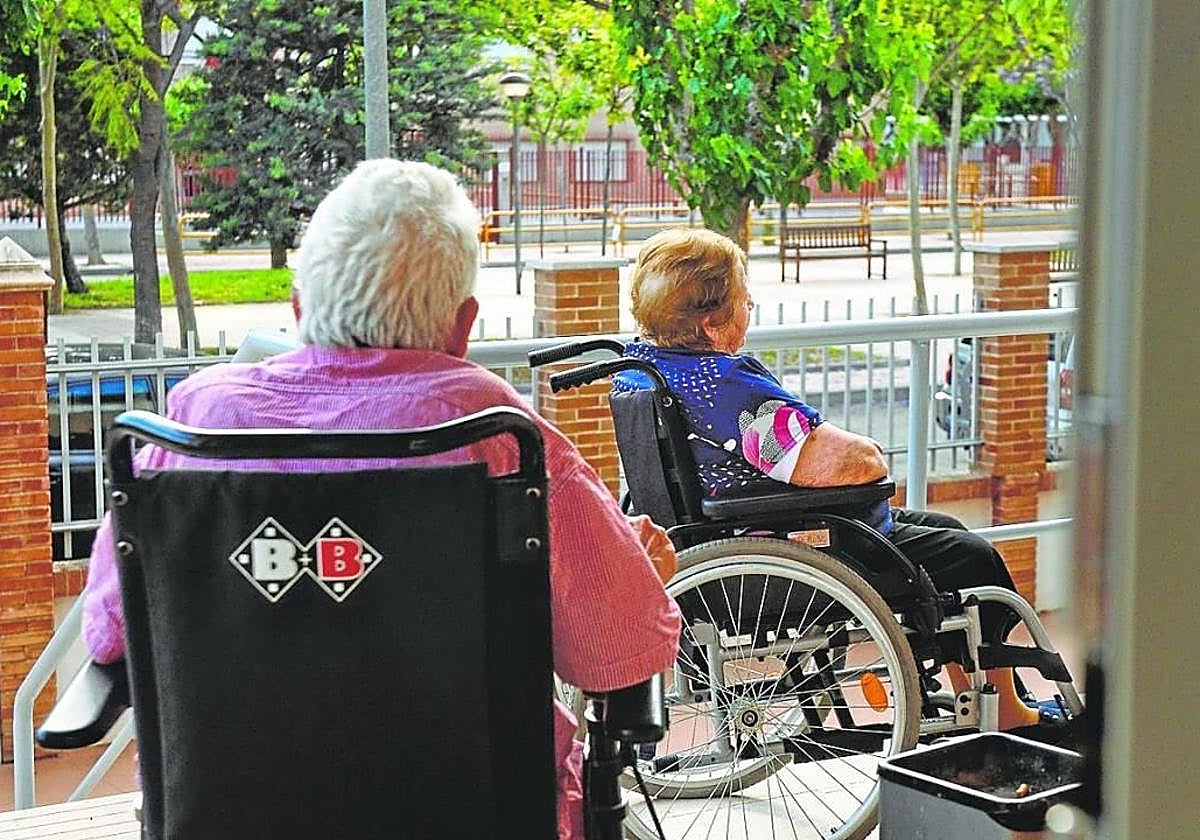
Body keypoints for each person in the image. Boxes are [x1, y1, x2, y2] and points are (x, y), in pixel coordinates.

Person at [81, 159, 682, 839]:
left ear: (301, 309)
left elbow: (108, 634)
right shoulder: (499, 437)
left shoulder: (192, 429)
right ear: (462, 327)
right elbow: (616, 657)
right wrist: (639, 575)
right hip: (478, 815)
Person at [612, 227, 1056, 730]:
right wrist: (867, 451)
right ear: (713, 323)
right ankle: (1012, 714)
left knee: (946, 527)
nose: (750, 304)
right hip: (781, 546)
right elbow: (854, 464)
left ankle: (977, 700)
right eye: (743, 298)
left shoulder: (646, 368)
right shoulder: (723, 387)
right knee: (973, 559)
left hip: (722, 533)